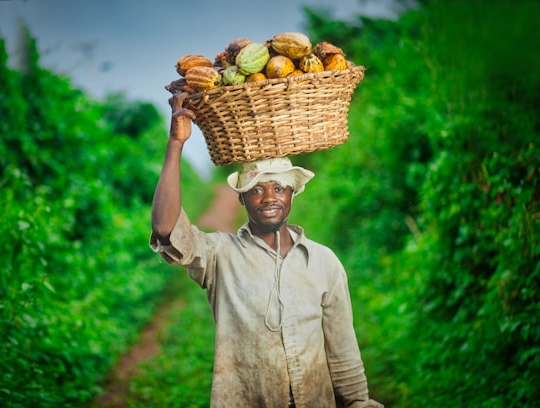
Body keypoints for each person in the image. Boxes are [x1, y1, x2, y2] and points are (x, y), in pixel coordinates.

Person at [150, 92, 384, 408]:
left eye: (279, 188)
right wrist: (175, 144)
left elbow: (342, 349)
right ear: (242, 199)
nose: (269, 197)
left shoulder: (323, 262)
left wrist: (358, 401)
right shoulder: (221, 255)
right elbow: (167, 228)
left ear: (292, 196)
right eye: (256, 190)